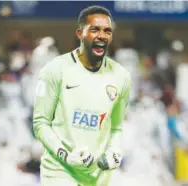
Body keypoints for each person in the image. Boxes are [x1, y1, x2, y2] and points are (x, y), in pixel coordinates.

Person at [33, 5, 131, 186]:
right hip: (60, 170)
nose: (102, 35)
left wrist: (114, 151)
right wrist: (66, 155)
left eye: (107, 31)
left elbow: (116, 128)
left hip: (97, 177)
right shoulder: (55, 70)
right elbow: (40, 123)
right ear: (80, 33)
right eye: (95, 29)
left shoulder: (121, 77)